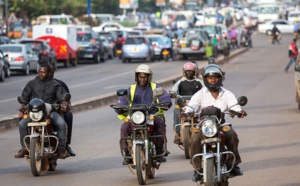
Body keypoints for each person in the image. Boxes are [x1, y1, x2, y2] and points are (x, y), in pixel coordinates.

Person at [181, 64, 247, 182]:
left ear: (220, 79)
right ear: (205, 79)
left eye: (215, 77)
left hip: (222, 126)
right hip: (204, 127)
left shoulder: (227, 94)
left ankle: (233, 165)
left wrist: (239, 111)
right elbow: (192, 106)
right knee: (194, 139)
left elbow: (234, 105)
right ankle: (198, 169)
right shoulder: (200, 94)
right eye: (210, 78)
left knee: (232, 136)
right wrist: (186, 112)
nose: (213, 80)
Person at [114, 64, 172, 165]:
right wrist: (120, 106)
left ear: (149, 77)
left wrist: (165, 102)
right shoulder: (131, 89)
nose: (142, 79)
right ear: (136, 77)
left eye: (145, 77)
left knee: (160, 124)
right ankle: (126, 153)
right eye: (140, 77)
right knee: (124, 127)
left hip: (152, 115)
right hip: (135, 116)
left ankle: (159, 150)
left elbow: (164, 96)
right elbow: (123, 100)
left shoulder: (155, 87)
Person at [15, 64, 68, 159]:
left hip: (50, 112)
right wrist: (22, 106)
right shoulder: (32, 83)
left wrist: (64, 104)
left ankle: (61, 149)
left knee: (61, 123)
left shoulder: (55, 84)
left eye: (43, 72)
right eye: (39, 72)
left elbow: (62, 98)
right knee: (22, 124)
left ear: (49, 73)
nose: (41, 74)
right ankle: (25, 148)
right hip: (35, 113)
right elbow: (24, 98)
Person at [171, 62, 203, 144]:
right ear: (184, 72)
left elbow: (205, 90)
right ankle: (177, 134)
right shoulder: (180, 82)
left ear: (194, 72)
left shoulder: (199, 82)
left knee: (203, 112)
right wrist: (173, 94)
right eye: (187, 71)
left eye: (191, 71)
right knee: (176, 111)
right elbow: (173, 90)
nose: (189, 73)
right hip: (183, 104)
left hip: (196, 105)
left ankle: (204, 131)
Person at [49, 65, 76, 156]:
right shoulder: (34, 83)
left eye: (50, 72)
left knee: (68, 115)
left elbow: (67, 101)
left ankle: (65, 145)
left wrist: (66, 106)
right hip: (39, 113)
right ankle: (26, 146)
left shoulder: (59, 84)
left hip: (55, 111)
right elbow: (26, 98)